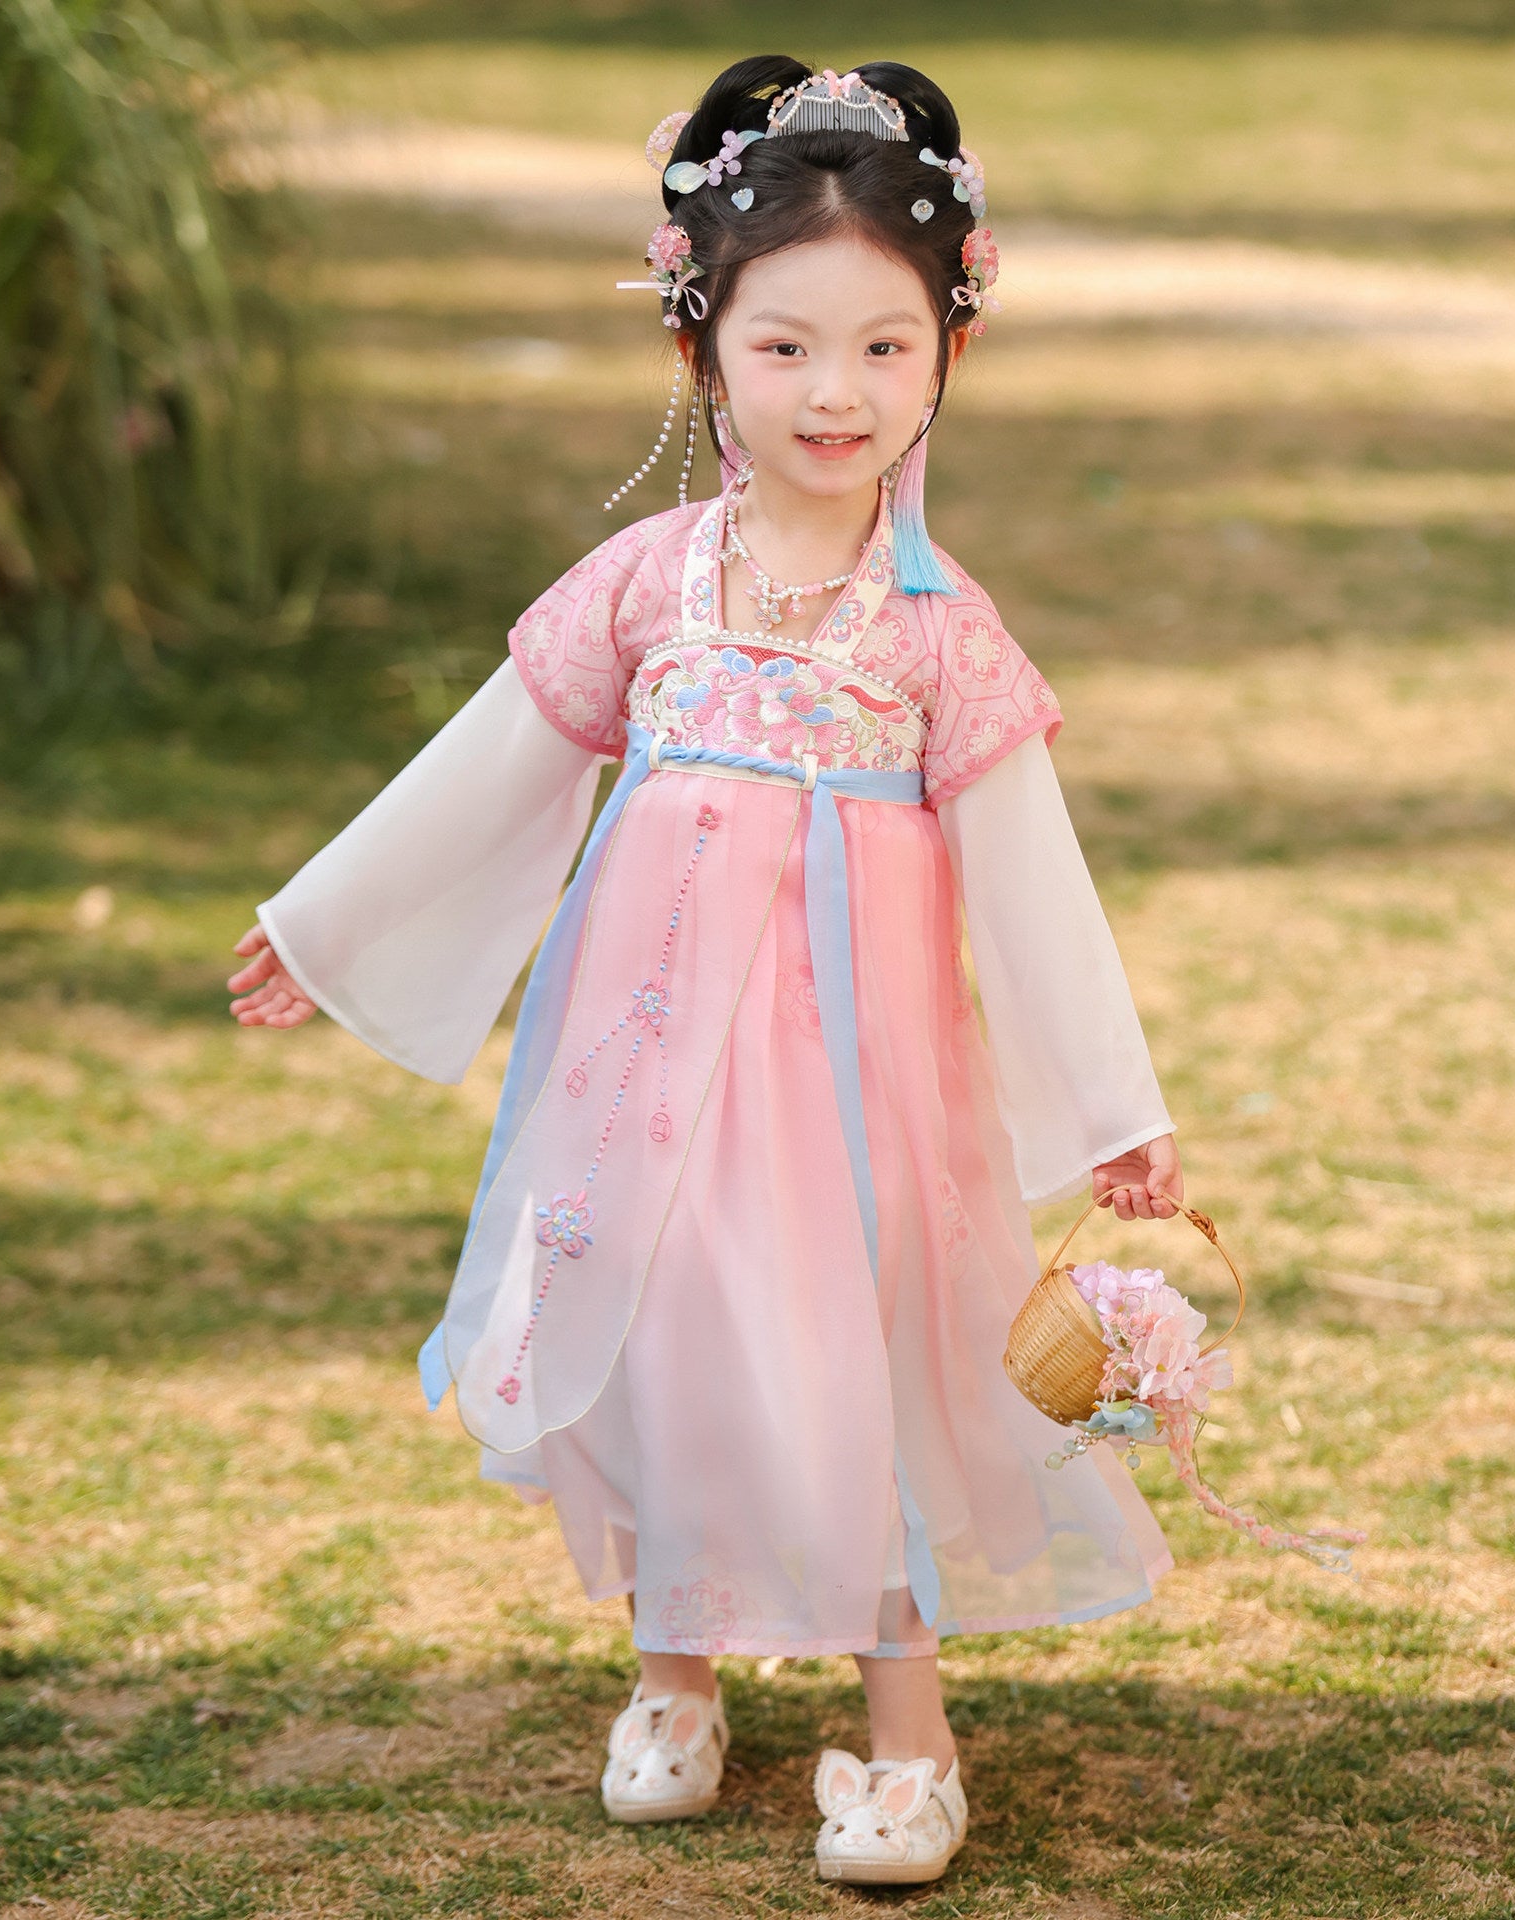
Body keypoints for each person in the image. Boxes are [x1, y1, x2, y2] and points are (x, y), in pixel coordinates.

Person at [227, 55, 1182, 1888]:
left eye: (887, 350)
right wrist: (323, 919)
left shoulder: (941, 635)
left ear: (948, 357)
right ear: (704, 349)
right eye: (788, 347)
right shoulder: (653, 585)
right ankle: (675, 1675)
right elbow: (495, 764)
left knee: (872, 1352)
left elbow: (1033, 879)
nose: (839, 392)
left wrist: (1112, 1109)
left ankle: (910, 1738)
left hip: (857, 1087)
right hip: (645, 1067)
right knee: (658, 1330)